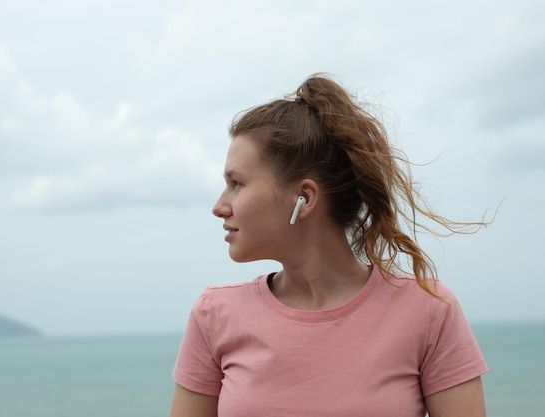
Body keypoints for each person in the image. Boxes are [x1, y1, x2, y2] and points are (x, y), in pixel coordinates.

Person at [170, 74, 488, 417]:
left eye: (237, 183)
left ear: (304, 199)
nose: (219, 205)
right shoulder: (213, 315)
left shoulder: (429, 310)